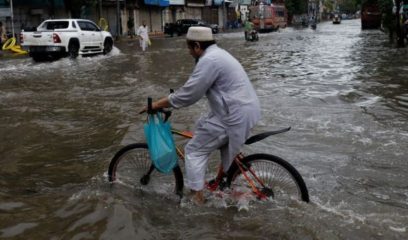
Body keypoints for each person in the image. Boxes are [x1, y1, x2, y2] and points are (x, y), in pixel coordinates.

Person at [140, 27, 261, 204]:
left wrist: (157, 104)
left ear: (197, 46)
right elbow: (193, 87)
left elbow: (189, 94)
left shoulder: (209, 60)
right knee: (202, 124)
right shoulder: (219, 54)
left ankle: (197, 199)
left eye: (189, 49)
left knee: (193, 150)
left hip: (233, 115)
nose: (189, 53)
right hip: (242, 110)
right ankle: (223, 184)